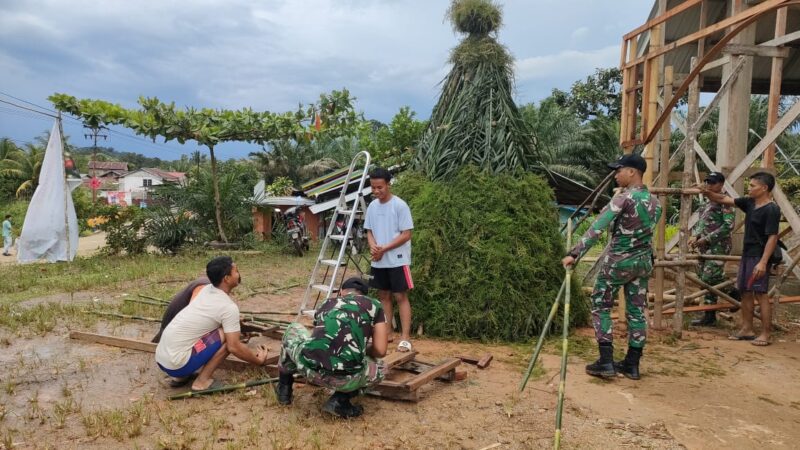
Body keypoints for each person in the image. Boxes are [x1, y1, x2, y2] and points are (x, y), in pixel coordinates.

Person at [562, 154, 661, 380]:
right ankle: (632, 365)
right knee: (637, 312)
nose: (616, 175)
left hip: (619, 262)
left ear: (632, 172)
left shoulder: (623, 198)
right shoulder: (655, 202)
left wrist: (574, 254)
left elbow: (597, 228)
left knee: (601, 304)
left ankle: (605, 362)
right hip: (643, 263)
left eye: (619, 170)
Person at [275, 277, 388, 418]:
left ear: (341, 292)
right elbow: (381, 350)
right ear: (365, 295)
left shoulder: (327, 303)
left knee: (293, 329)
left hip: (309, 369)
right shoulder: (375, 305)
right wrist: (363, 349)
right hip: (346, 380)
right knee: (381, 368)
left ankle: (284, 390)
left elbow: (321, 337)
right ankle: (340, 400)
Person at [155, 256, 268, 391]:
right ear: (226, 278)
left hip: (161, 358)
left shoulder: (205, 290)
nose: (238, 274)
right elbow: (234, 347)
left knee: (203, 332)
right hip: (177, 364)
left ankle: (181, 377)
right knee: (229, 339)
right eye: (236, 271)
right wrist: (258, 360)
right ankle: (201, 382)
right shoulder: (228, 308)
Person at [700, 172, 781, 346]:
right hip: (747, 254)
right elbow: (723, 199)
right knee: (745, 292)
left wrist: (763, 262)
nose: (749, 188)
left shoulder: (771, 209)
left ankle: (766, 334)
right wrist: (706, 192)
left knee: (761, 294)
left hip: (759, 256)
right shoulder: (749, 203)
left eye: (752, 186)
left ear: (764, 188)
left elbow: (772, 237)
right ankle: (747, 329)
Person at [364, 168, 414, 352]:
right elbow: (369, 230)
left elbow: (406, 234)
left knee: (400, 296)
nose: (376, 191)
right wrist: (373, 246)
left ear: (388, 184)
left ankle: (406, 337)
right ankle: (388, 332)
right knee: (383, 295)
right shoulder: (372, 206)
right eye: (373, 188)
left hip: (398, 260)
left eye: (380, 187)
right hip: (379, 260)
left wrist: (384, 248)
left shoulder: (400, 205)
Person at [689, 172, 736, 326]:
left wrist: (707, 239)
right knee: (704, 279)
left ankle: (734, 292)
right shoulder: (707, 202)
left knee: (710, 277)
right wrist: (695, 235)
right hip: (704, 245)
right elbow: (702, 222)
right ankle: (709, 315)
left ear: (721, 184)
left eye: (713, 182)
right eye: (708, 182)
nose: (709, 185)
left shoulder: (726, 201)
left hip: (719, 246)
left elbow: (728, 226)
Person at [151, 277, 211, 344]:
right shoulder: (203, 286)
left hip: (175, 331)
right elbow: (193, 315)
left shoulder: (210, 285)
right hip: (172, 334)